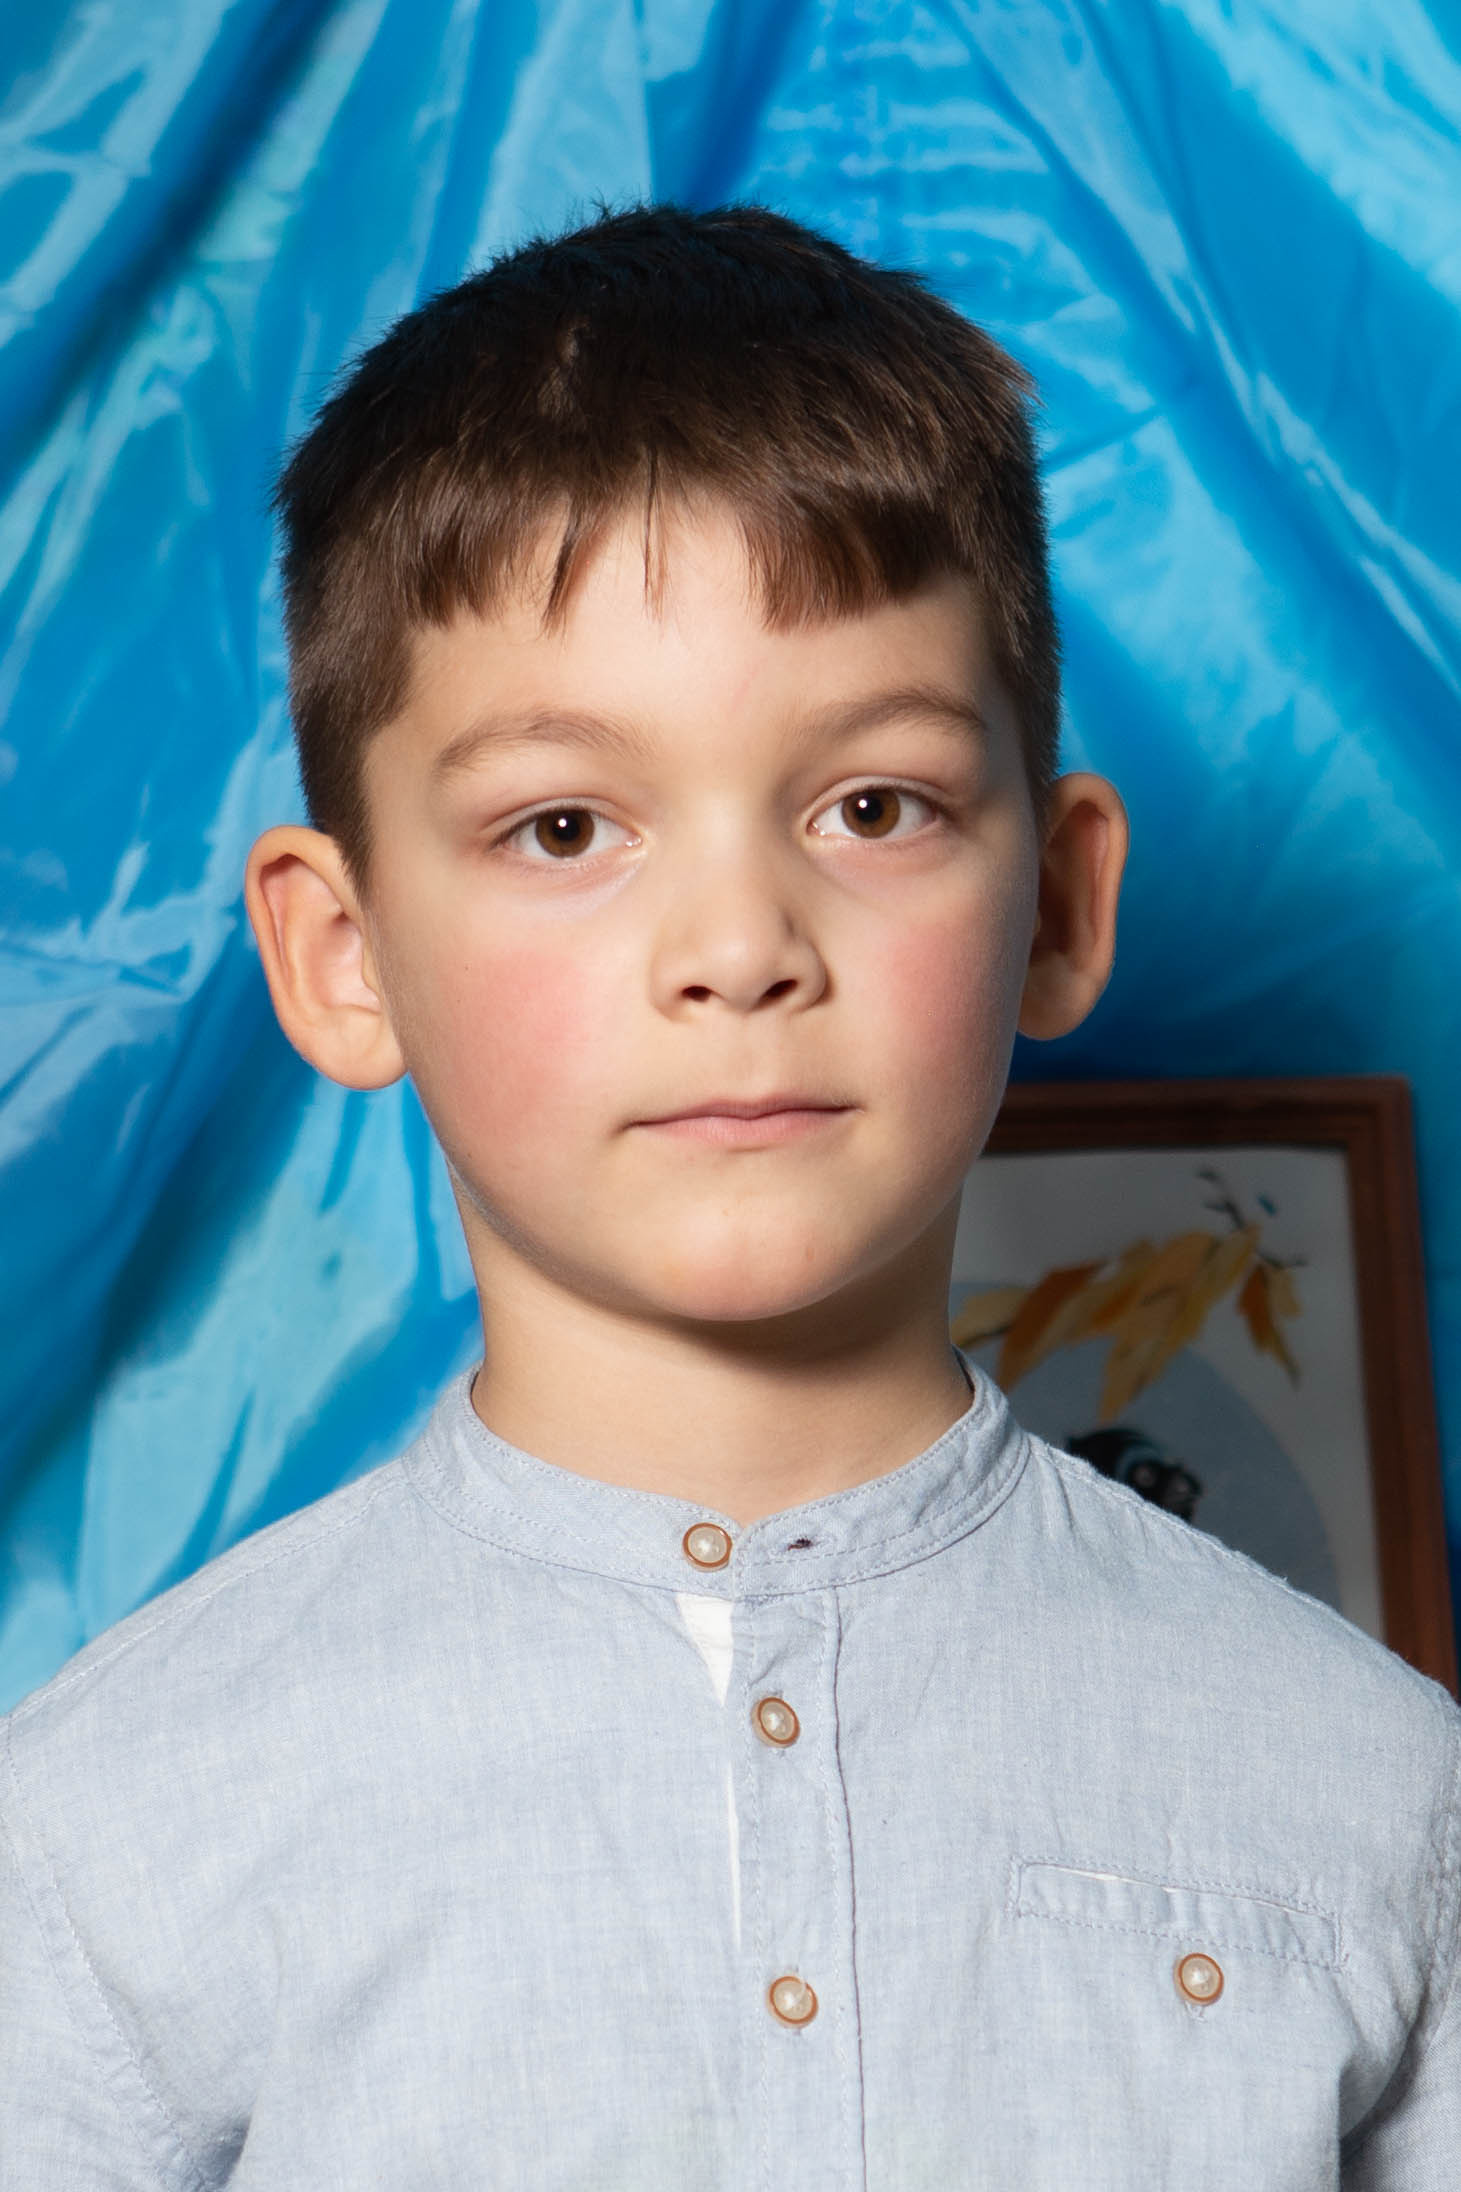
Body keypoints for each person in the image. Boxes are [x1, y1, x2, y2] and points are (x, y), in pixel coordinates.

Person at [2, 202, 1456, 2189]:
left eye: (871, 805)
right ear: (344, 956)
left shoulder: (1362, 1792)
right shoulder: (109, 1829)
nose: (737, 947)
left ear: (1055, 901)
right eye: (562, 826)